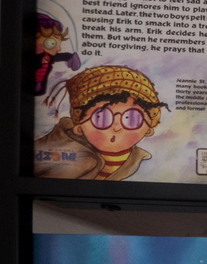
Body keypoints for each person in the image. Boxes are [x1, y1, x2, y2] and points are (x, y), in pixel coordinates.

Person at [34, 65, 167, 180]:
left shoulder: (136, 159)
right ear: (79, 128)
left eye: (131, 119)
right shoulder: (64, 152)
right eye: (102, 118)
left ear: (149, 128)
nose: (117, 127)